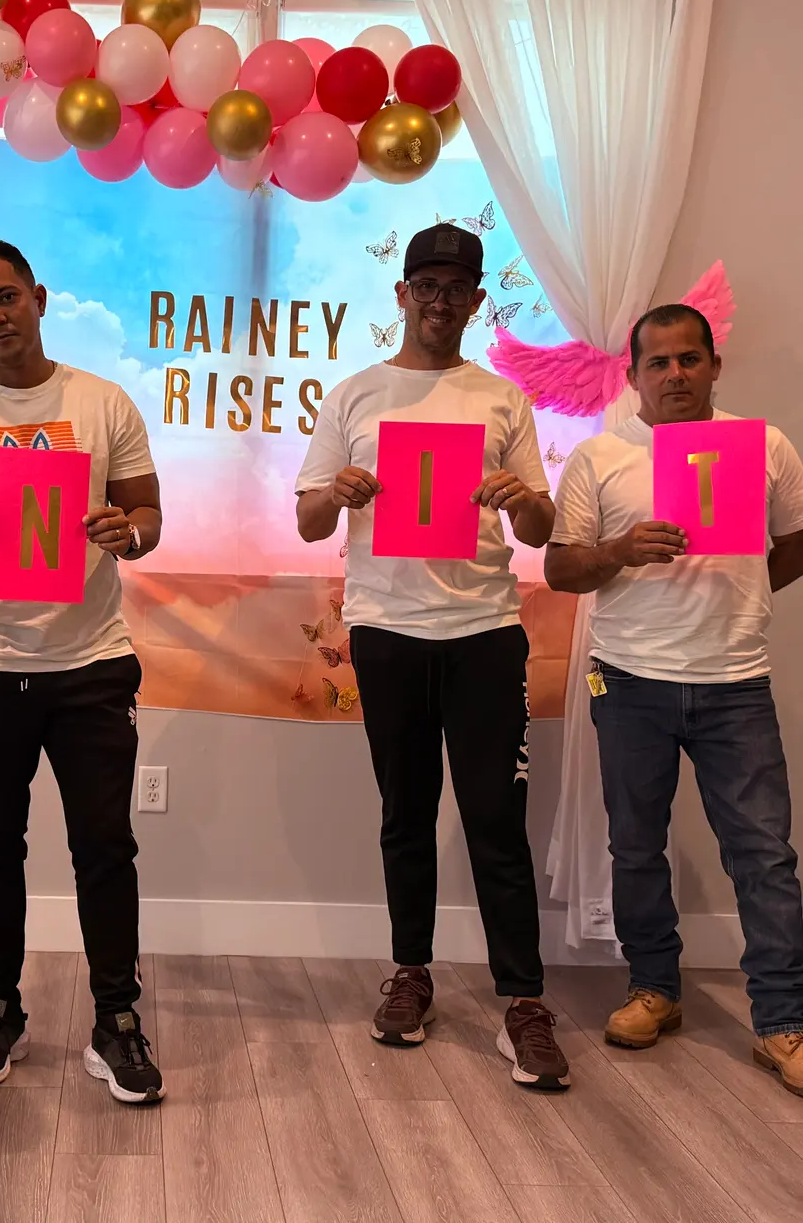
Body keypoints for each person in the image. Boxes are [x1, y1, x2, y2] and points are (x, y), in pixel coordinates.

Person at [295, 224, 570, 1090]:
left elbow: (541, 529)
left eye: (457, 288)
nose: (440, 301)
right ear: (402, 293)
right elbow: (306, 519)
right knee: (405, 815)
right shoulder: (355, 396)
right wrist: (336, 495)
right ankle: (410, 974)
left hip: (485, 631)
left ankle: (523, 1001)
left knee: (496, 821)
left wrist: (522, 498)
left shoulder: (501, 400)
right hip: (386, 632)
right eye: (427, 285)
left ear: (477, 300)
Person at [0, 238, 165, 1104]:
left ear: (39, 297)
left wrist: (130, 533)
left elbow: (147, 513)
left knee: (105, 847)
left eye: (7, 297)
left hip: (91, 663)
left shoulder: (102, 401)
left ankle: (116, 1017)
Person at [545, 303, 803, 1090]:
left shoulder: (765, 445)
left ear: (715, 365)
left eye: (690, 358)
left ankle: (783, 1022)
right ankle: (653, 989)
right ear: (633, 376)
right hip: (629, 681)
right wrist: (620, 552)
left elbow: (794, 542)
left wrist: (744, 595)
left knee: (764, 855)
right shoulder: (599, 456)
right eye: (658, 362)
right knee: (635, 847)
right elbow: (561, 570)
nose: (675, 374)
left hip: (736, 682)